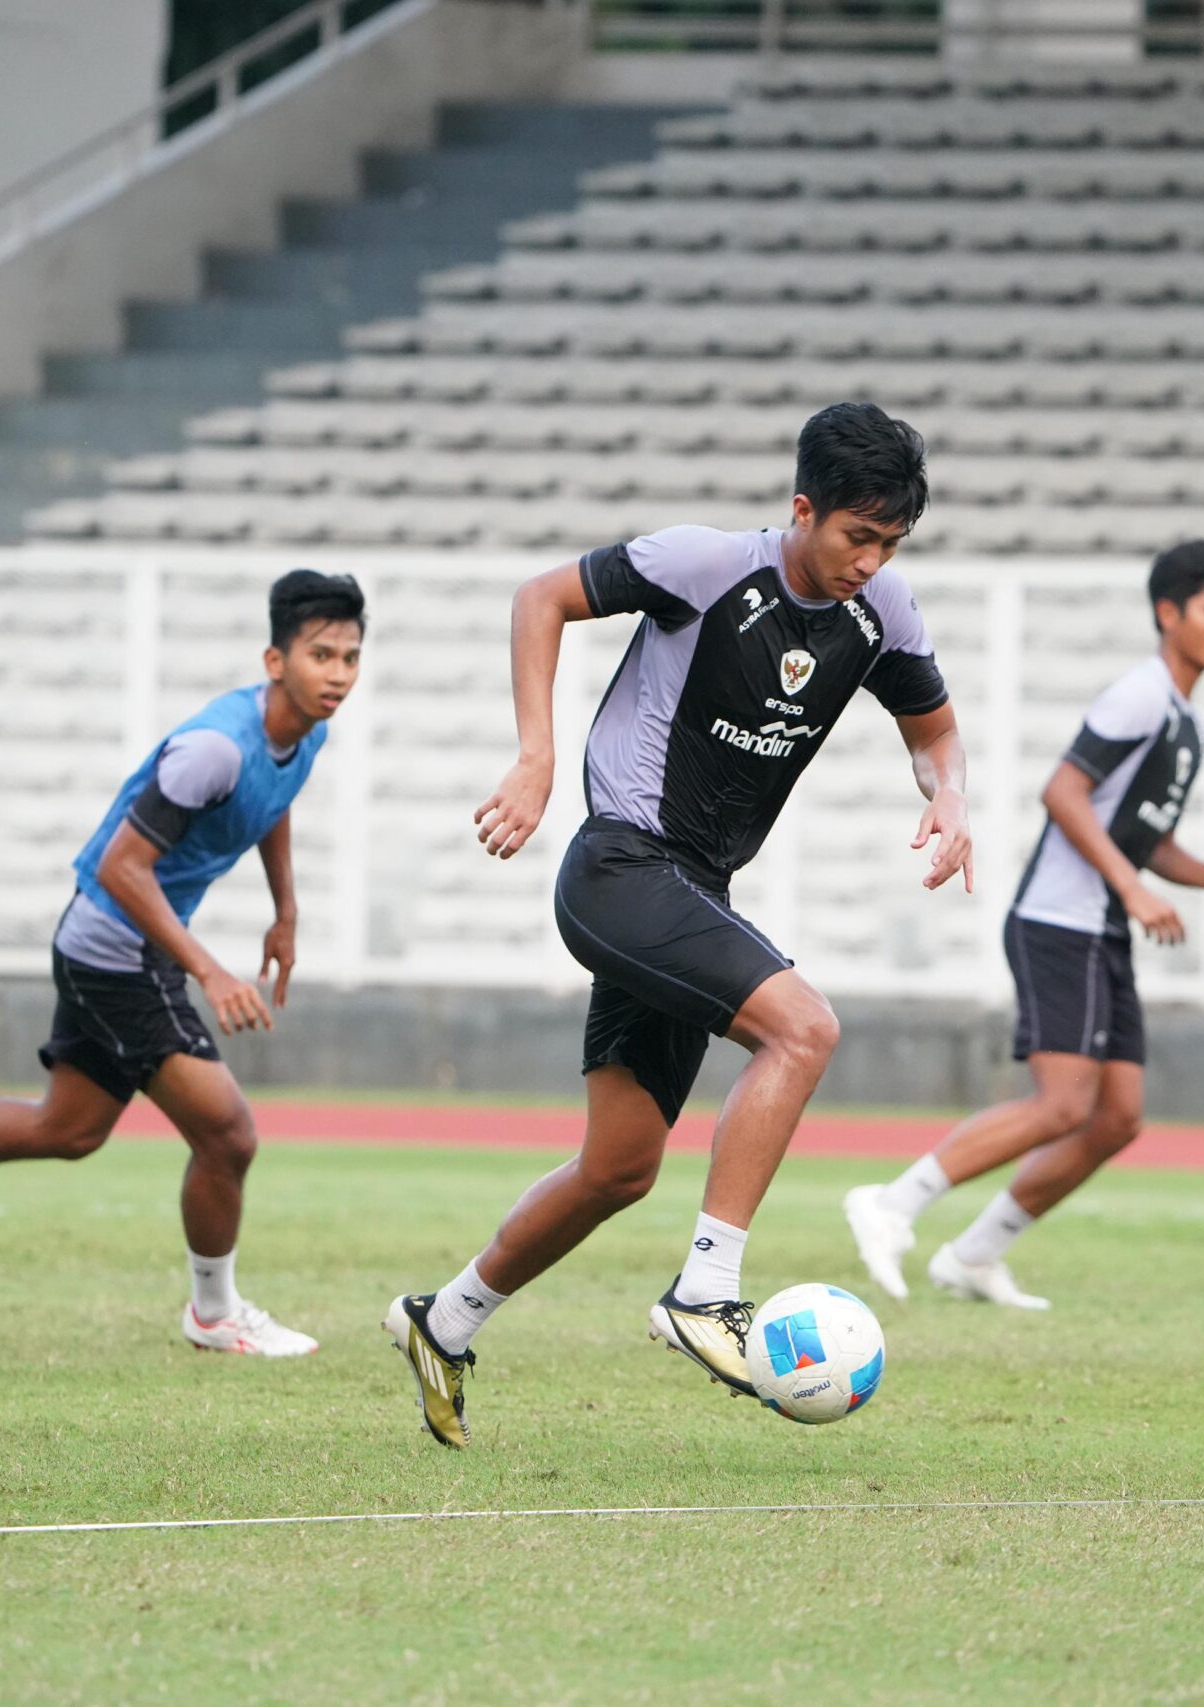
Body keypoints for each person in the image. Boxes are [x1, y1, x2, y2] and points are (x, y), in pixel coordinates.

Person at [384, 402, 973, 1449]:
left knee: (619, 1167)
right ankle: (705, 1291)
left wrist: (950, 795)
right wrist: (536, 756)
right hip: (620, 867)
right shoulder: (702, 564)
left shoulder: (881, 610)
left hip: (693, 890)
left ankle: (446, 1318)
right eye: (857, 536)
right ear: (804, 509)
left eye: (890, 543)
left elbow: (934, 734)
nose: (871, 562)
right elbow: (540, 596)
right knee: (805, 1029)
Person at [0, 570, 366, 1359]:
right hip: (116, 949)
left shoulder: (306, 732)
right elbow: (122, 867)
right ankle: (213, 1312)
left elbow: (274, 800)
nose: (338, 674)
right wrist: (209, 970)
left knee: (67, 1127)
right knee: (228, 1133)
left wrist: (285, 910)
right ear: (275, 661)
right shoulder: (212, 749)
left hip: (121, 946)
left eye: (350, 657)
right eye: (320, 655)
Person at [846, 541, 1204, 1311]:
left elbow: (1143, 838)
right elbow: (1064, 792)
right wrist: (1132, 890)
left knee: (1116, 1118)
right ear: (1168, 613)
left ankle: (974, 1255)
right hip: (1058, 921)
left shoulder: (1188, 725)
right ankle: (891, 1202)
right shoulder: (1138, 696)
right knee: (1063, 1104)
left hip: (1100, 928)